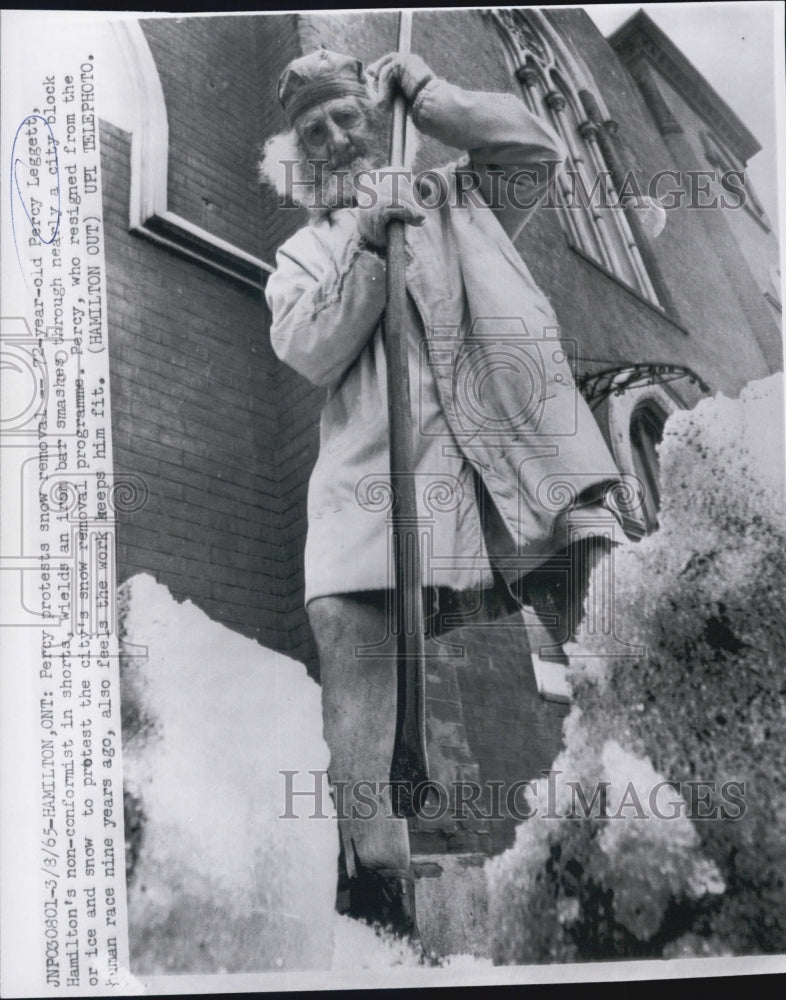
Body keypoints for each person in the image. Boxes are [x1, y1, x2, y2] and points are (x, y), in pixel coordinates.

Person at [261, 47, 625, 945]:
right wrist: (366, 249)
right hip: (378, 493)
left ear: (376, 113)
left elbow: (537, 149)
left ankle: (646, 813)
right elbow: (309, 347)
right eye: (316, 131)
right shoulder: (303, 250)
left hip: (517, 456)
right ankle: (377, 888)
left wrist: (433, 97)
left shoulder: (464, 196)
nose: (339, 137)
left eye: (350, 115)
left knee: (609, 625)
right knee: (349, 636)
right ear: (299, 157)